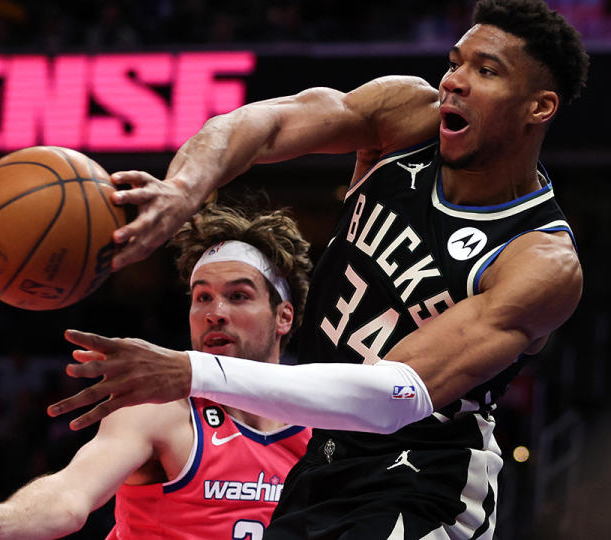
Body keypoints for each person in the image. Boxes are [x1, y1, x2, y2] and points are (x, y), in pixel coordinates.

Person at [47, 1, 588, 538]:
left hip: (427, 482)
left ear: (538, 108)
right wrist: (183, 190)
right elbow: (267, 122)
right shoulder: (406, 119)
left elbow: (393, 394)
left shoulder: (539, 261)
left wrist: (192, 371)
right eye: (455, 63)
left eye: (486, 71)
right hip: (323, 460)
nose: (455, 82)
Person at [0, 205, 314, 539]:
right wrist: (0, 525)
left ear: (283, 316)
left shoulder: (323, 427)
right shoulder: (162, 410)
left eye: (238, 296)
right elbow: (71, 493)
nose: (214, 313)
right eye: (202, 296)